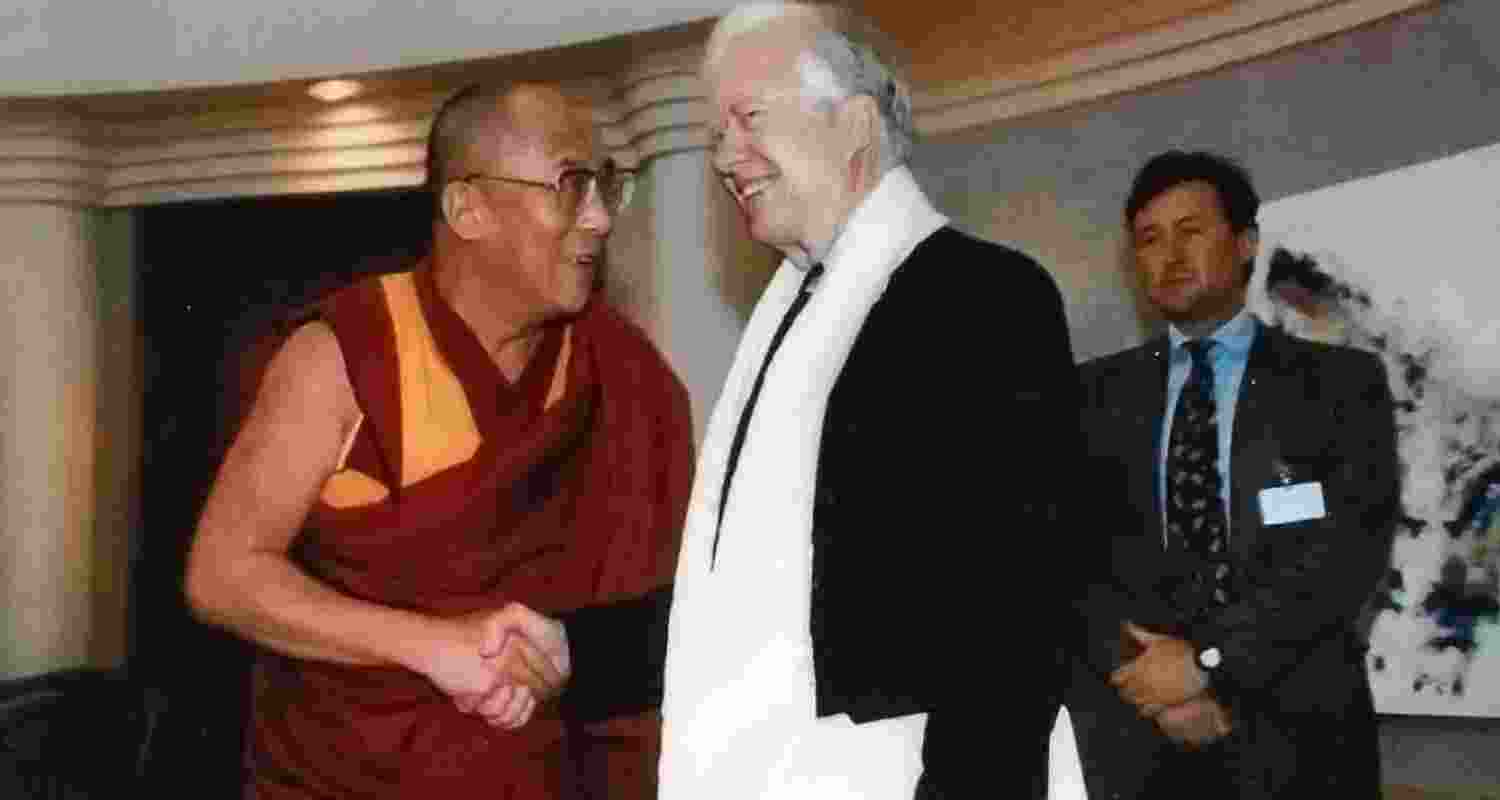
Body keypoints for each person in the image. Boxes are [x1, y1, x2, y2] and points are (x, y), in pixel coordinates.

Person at [497, 4, 1082, 798]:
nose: (727, 155)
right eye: (715, 132)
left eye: (749, 117)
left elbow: (1016, 622)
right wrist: (575, 651)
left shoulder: (981, 299)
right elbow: (752, 611)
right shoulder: (792, 315)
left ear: (856, 125)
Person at [183, 82, 694, 799]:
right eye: (572, 185)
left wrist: (560, 654)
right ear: (467, 209)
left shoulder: (619, 371)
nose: (601, 218)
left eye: (607, 185)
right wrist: (437, 646)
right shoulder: (347, 356)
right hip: (343, 779)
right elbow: (222, 574)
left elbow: (667, 609)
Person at [1066, 150, 1399, 798]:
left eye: (1191, 231)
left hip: (1299, 741)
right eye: (1149, 239)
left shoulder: (1339, 386)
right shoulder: (1090, 396)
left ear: (1245, 243)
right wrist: (1151, 682)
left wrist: (1206, 665)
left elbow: (1346, 556)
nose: (1169, 254)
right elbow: (1070, 556)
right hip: (1138, 744)